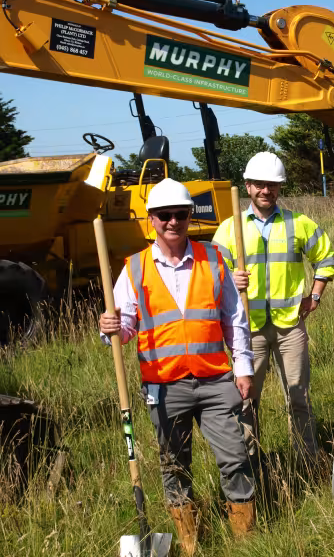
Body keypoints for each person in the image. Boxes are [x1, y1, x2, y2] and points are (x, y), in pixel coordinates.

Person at [98, 178, 255, 556]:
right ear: (152, 219)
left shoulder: (214, 257)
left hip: (216, 379)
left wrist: (243, 366)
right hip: (164, 386)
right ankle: (189, 545)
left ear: (189, 216)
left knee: (235, 458)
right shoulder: (133, 269)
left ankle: (248, 543)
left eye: (180, 214)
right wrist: (111, 329)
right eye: (164, 215)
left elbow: (234, 317)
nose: (173, 222)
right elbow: (126, 328)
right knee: (174, 467)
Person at [212, 152, 334, 472]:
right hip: (247, 329)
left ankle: (307, 464)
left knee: (299, 398)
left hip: (290, 327)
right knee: (247, 402)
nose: (266, 190)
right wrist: (229, 278)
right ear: (248, 185)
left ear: (279, 188)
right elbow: (212, 277)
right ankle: (250, 467)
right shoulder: (230, 229)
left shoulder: (299, 224)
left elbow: (326, 259)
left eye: (273, 185)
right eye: (259, 184)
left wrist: (315, 297)